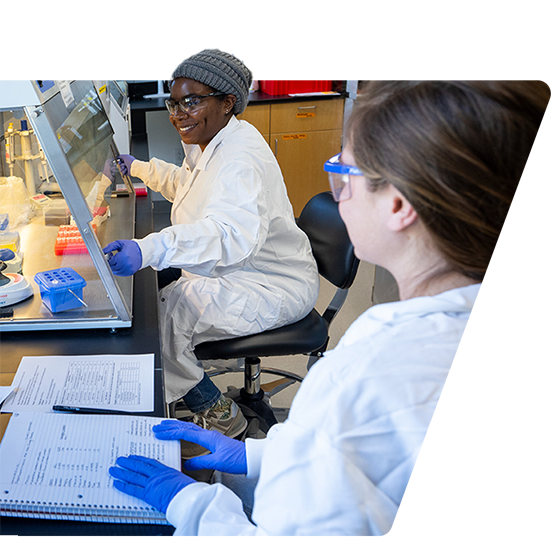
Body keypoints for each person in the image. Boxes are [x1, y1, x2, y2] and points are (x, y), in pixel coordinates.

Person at [109, 81, 551, 536]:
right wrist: (256, 456)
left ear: (398, 205)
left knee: (176, 308)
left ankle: (217, 409)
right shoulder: (537, 321)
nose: (337, 187)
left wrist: (189, 503)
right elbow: (370, 458)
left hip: (270, 283)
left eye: (345, 169)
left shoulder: (367, 379)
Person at [103, 49, 319, 440]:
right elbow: (189, 188)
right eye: (174, 102)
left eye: (192, 101)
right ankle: (184, 391)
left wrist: (149, 248)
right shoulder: (213, 138)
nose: (178, 113)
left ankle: (221, 416)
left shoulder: (239, 158)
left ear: (227, 102)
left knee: (165, 320)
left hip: (270, 284)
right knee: (162, 300)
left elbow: (226, 235)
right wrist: (138, 168)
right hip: (244, 272)